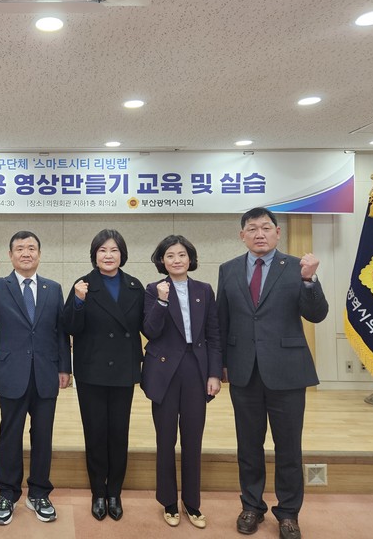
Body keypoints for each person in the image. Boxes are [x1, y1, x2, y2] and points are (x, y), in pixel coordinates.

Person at [216, 207, 328, 539]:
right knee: (248, 445)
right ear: (242, 236)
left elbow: (316, 314)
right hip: (244, 371)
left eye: (266, 227)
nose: (259, 234)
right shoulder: (228, 269)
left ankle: (289, 513)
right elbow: (222, 320)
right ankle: (251, 506)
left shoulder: (297, 267)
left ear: (278, 233)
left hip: (287, 371)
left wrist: (309, 280)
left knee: (288, 447)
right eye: (252, 228)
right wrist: (220, 365)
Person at [0, 230, 71, 525]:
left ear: (39, 254)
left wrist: (65, 368)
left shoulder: (53, 288)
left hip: (45, 373)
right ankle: (7, 492)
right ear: (10, 255)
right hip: (11, 372)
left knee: (43, 436)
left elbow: (60, 332)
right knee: (10, 435)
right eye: (19, 249)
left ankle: (39, 492)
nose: (26, 253)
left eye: (31, 248)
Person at [62, 229, 144, 522]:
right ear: (94, 255)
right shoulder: (82, 285)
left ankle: (114, 492)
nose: (108, 256)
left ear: (122, 254)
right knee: (95, 432)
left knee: (119, 433)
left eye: (114, 250)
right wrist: (78, 301)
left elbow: (148, 326)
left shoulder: (135, 286)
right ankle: (98, 491)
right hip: (92, 371)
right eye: (102, 250)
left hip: (123, 370)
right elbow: (69, 327)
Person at [141, 235, 222, 530]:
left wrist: (214, 373)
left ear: (190, 258)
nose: (177, 260)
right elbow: (150, 330)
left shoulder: (204, 290)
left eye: (182, 255)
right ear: (162, 261)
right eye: (170, 256)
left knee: (193, 438)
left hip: (195, 368)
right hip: (164, 370)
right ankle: (169, 502)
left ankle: (192, 502)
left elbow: (213, 334)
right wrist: (162, 301)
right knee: (165, 438)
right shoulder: (153, 289)